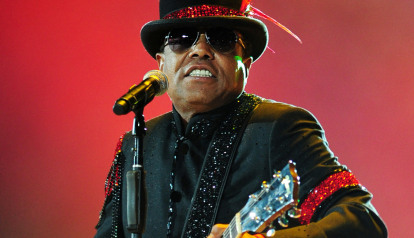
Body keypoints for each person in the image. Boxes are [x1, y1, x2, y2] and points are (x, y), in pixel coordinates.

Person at [94, 0, 388, 237]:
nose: (200, 50)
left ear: (245, 66)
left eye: (221, 40)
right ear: (161, 63)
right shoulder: (136, 145)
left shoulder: (280, 127)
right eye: (182, 39)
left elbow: (362, 223)